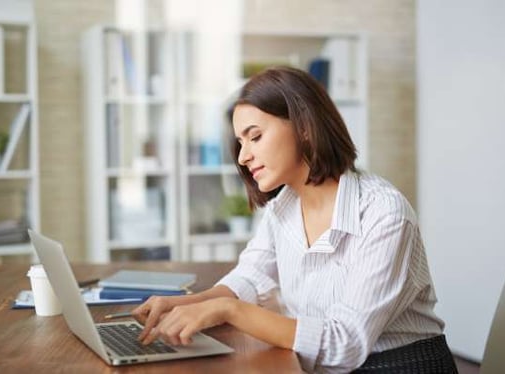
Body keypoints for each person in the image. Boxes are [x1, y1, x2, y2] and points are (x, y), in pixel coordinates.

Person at [132, 66, 457, 373]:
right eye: (240, 143)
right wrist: (188, 305)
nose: (243, 157)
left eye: (255, 137)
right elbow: (250, 276)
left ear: (304, 126)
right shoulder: (284, 207)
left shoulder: (383, 213)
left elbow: (345, 345)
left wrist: (228, 310)